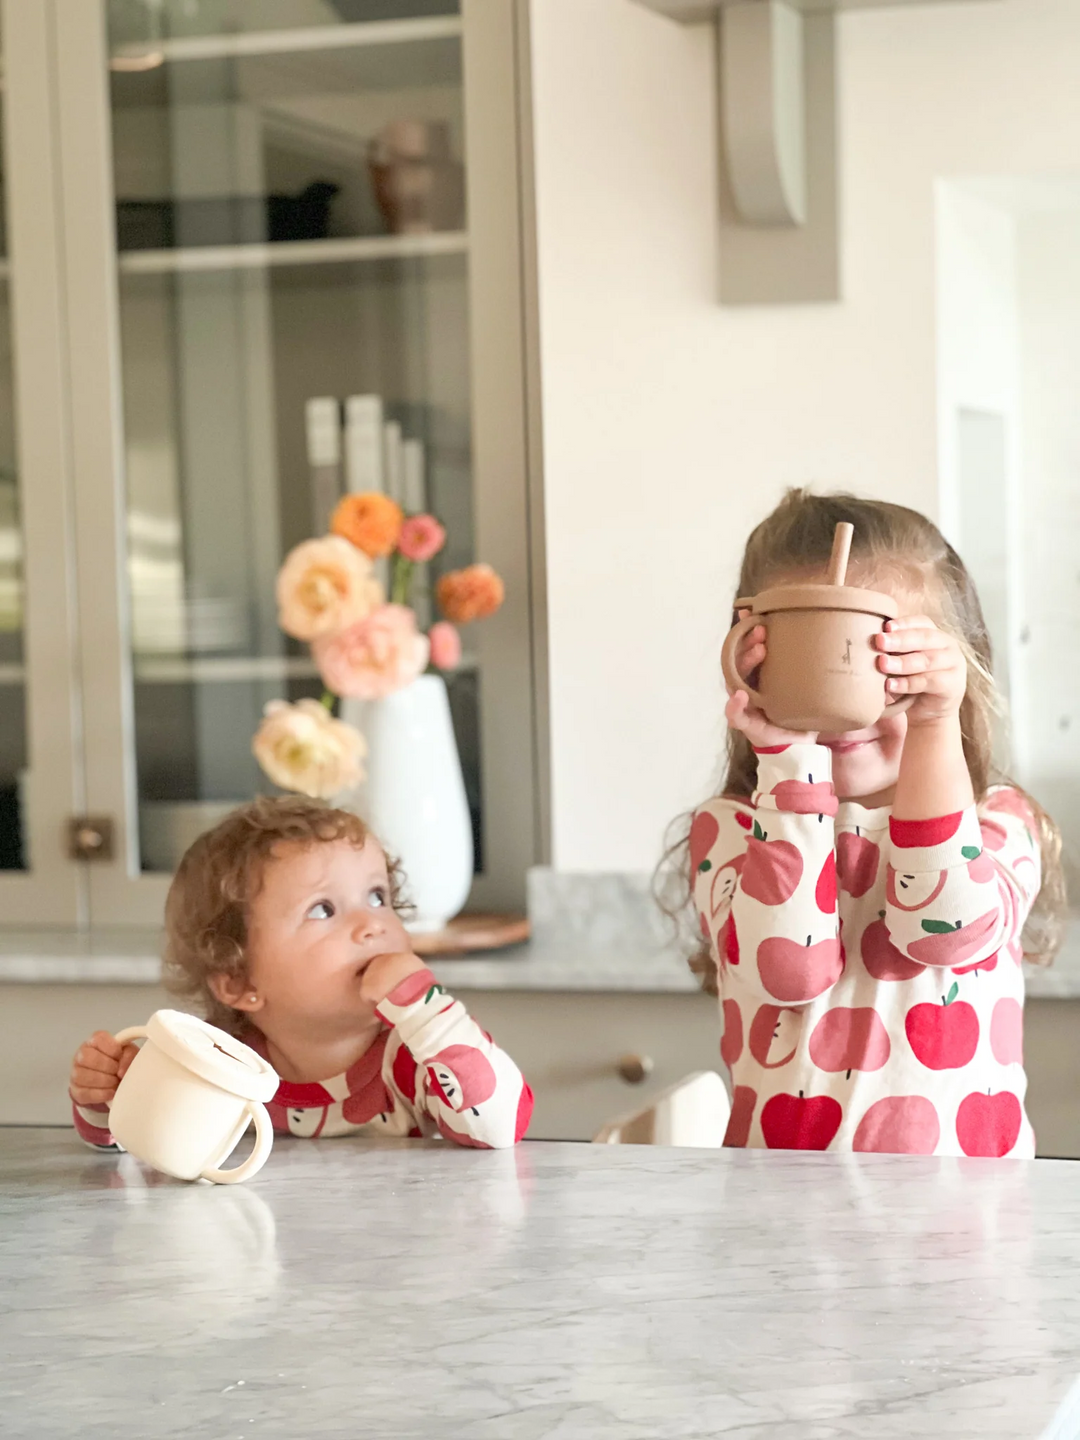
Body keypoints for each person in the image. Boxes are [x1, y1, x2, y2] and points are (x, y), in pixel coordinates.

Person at [679, 489, 1064, 1156]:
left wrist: (934, 723)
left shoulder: (999, 825)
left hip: (966, 1229)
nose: (852, 713)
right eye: (813, 657)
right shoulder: (734, 833)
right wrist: (787, 754)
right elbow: (790, 972)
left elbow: (939, 929)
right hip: (783, 1222)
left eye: (891, 668)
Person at [69, 797, 533, 1151]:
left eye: (377, 896)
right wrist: (109, 1099)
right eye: (324, 909)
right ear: (240, 983)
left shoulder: (415, 1055)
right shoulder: (220, 1067)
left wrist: (431, 1011)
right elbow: (147, 1144)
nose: (373, 924)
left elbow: (502, 1127)